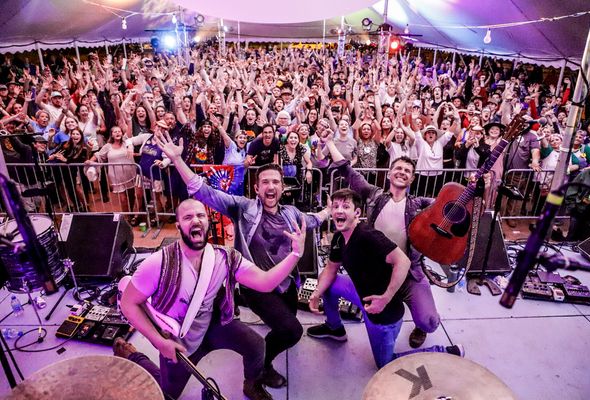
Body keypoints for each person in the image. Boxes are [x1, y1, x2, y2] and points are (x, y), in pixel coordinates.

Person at [154, 130, 330, 389]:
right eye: (265, 182)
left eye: (276, 182)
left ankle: (262, 349)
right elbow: (203, 192)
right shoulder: (243, 207)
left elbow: (313, 220)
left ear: (282, 188)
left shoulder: (292, 213)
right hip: (255, 285)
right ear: (257, 188)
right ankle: (262, 368)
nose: (271, 186)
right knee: (292, 330)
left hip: (285, 284)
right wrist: (178, 160)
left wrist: (329, 211)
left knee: (283, 327)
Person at [117, 198, 307, 400]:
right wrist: (159, 342)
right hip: (181, 340)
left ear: (208, 222)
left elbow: (265, 282)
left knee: (256, 345)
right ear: (178, 225)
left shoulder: (226, 257)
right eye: (188, 217)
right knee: (167, 395)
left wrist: (295, 254)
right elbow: (128, 304)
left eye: (200, 215)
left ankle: (252, 384)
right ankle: (133, 355)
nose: (195, 220)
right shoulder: (158, 263)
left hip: (214, 325)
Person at [306, 189, 464, 369]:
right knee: (328, 283)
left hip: (382, 311)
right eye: (335, 207)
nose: (339, 211)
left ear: (357, 213)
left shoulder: (368, 236)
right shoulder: (338, 238)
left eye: (345, 206)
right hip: (360, 294)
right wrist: (316, 293)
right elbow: (331, 268)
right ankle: (335, 328)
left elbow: (403, 262)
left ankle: (445, 351)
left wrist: (385, 298)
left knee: (385, 364)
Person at [317, 130, 440, 348]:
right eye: (398, 168)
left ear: (412, 178)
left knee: (429, 322)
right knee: (328, 284)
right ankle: (334, 326)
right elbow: (347, 170)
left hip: (410, 273)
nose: (402, 172)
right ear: (390, 173)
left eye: (407, 171)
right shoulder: (374, 195)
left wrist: (478, 187)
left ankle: (419, 325)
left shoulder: (419, 204)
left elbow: (449, 204)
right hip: (375, 274)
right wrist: (329, 143)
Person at [565, 151, 590, 241]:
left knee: (589, 240)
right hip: (580, 210)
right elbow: (572, 189)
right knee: (572, 237)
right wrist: (572, 207)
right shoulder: (586, 173)